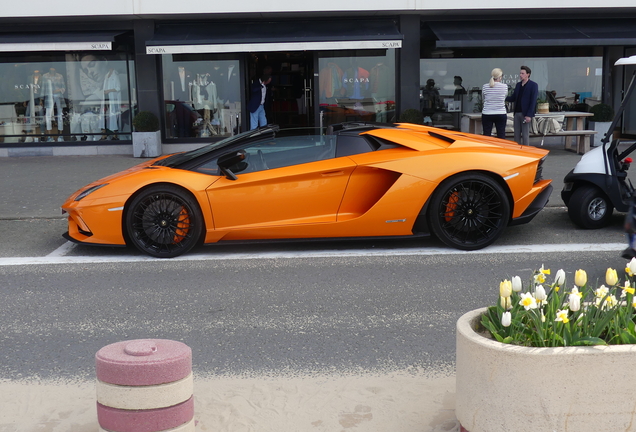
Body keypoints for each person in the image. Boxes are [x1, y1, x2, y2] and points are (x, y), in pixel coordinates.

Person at [506, 65, 539, 145]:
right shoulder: (518, 85)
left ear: (528, 74)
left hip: (525, 114)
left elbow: (533, 101)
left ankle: (526, 152)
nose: (520, 75)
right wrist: (503, 97)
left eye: (523, 73)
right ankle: (517, 153)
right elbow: (513, 98)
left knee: (525, 135)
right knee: (516, 135)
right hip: (517, 113)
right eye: (520, 73)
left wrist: (529, 115)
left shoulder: (533, 85)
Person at [481, 68, 508, 139]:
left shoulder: (485, 86)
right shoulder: (504, 87)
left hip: (487, 113)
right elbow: (504, 98)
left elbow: (483, 98)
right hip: (500, 112)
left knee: (486, 135)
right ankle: (501, 149)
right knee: (501, 134)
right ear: (500, 77)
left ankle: (487, 149)